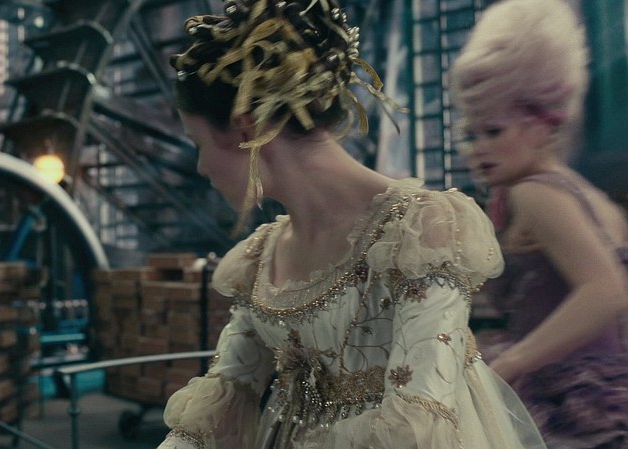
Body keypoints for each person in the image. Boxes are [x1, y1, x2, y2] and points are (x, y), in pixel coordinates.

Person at [157, 0, 546, 448]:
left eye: (198, 144)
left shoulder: (420, 231)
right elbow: (221, 401)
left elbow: (420, 418)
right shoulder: (259, 257)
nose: (201, 167)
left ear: (247, 130)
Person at [450, 0, 628, 447]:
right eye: (470, 134)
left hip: (572, 405)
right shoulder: (590, 196)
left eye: (494, 131)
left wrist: (511, 363)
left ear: (544, 124)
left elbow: (607, 291)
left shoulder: (534, 193)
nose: (478, 149)